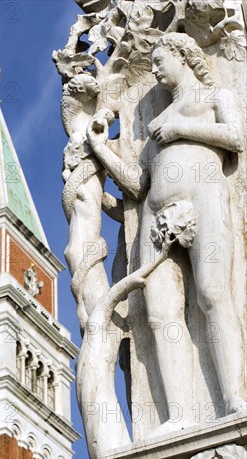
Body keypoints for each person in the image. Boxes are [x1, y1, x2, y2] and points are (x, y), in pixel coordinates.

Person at [86, 32, 245, 431]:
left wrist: (180, 132)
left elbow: (236, 138)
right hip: (156, 212)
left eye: (160, 60)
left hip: (205, 200)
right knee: (160, 313)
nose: (154, 69)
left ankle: (232, 399)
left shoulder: (213, 98)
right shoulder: (157, 120)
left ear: (182, 55)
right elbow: (140, 185)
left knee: (212, 294)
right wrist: (103, 151)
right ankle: (179, 416)